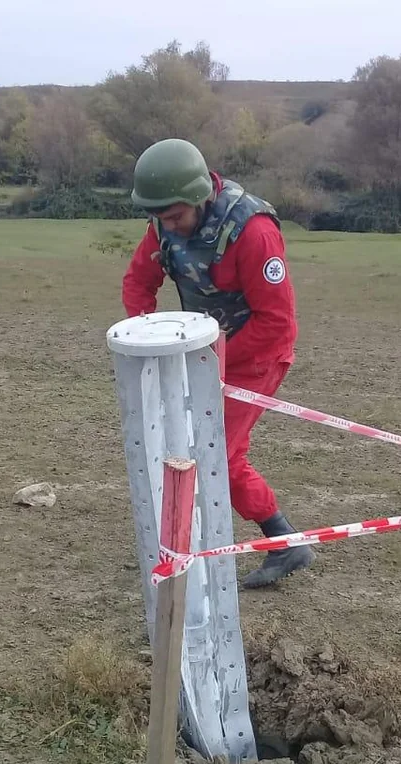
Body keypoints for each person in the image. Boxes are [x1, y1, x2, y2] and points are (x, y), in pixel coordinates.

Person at [120, 137, 313, 589]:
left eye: (175, 217)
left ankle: (269, 544)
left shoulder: (253, 231)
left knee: (214, 458)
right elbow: (137, 282)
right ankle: (282, 541)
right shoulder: (164, 224)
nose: (168, 226)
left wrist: (210, 361)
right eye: (159, 217)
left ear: (199, 197)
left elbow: (277, 322)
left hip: (257, 356)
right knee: (202, 452)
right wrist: (150, 339)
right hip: (207, 356)